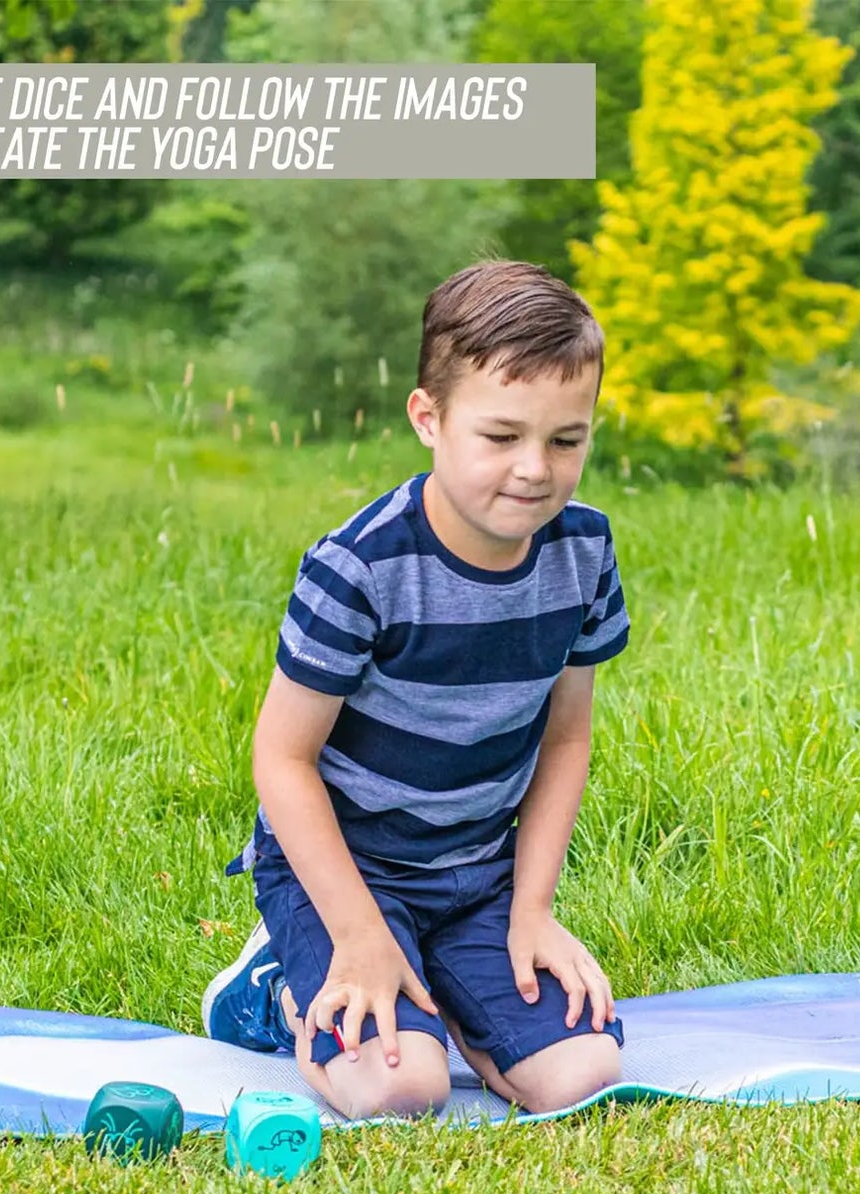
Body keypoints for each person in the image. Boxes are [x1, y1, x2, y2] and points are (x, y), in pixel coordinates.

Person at [201, 259, 630, 1121]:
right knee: (400, 1087)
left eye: (565, 439)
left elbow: (564, 737)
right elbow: (281, 757)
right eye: (500, 436)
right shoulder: (360, 567)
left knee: (579, 1074)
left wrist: (533, 909)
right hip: (338, 871)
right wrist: (359, 935)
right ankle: (273, 987)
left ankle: (441, 976)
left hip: (475, 873)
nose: (534, 470)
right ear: (428, 418)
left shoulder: (583, 552)